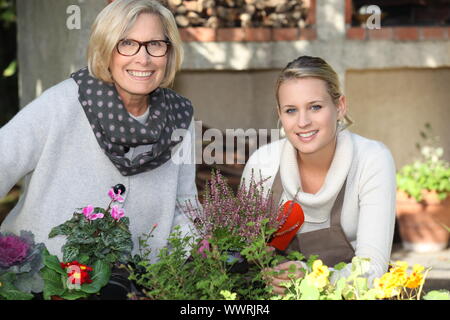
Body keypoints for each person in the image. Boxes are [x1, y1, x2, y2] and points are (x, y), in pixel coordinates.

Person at [0, 0, 197, 264]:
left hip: (139, 284)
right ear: (106, 51)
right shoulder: (62, 103)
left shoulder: (180, 116)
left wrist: (187, 266)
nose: (144, 57)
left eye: (156, 44)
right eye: (127, 43)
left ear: (169, 53)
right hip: (46, 280)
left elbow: (184, 206)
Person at [241, 56, 396, 294]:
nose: (303, 121)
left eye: (315, 107)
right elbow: (243, 257)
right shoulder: (263, 164)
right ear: (280, 115)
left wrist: (312, 279)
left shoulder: (371, 159)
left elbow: (373, 268)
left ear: (340, 106)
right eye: (291, 110)